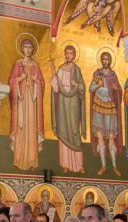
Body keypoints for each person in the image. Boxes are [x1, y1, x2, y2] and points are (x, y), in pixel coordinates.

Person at [8, 38, 45, 170]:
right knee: (20, 128)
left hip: (32, 101)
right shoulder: (17, 64)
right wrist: (20, 79)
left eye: (30, 47)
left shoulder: (36, 65)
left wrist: (36, 82)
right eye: (26, 47)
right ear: (22, 49)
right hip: (20, 100)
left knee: (31, 127)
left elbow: (42, 84)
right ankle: (18, 160)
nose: (28, 50)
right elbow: (11, 82)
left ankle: (31, 161)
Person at [51, 45, 86, 174]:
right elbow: (55, 88)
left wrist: (76, 84)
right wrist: (54, 78)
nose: (69, 55)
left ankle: (79, 165)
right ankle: (65, 163)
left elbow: (82, 88)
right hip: (62, 103)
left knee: (74, 130)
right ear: (65, 54)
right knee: (64, 129)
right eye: (67, 53)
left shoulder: (77, 70)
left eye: (71, 53)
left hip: (73, 104)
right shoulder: (60, 69)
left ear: (74, 55)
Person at [89, 52, 123, 176]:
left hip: (110, 106)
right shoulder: (97, 74)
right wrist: (97, 84)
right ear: (101, 60)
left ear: (110, 60)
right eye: (103, 58)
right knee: (99, 136)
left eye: (107, 58)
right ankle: (103, 166)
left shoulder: (113, 75)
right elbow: (91, 89)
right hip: (98, 106)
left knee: (110, 137)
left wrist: (115, 89)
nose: (105, 60)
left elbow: (119, 90)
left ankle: (114, 166)